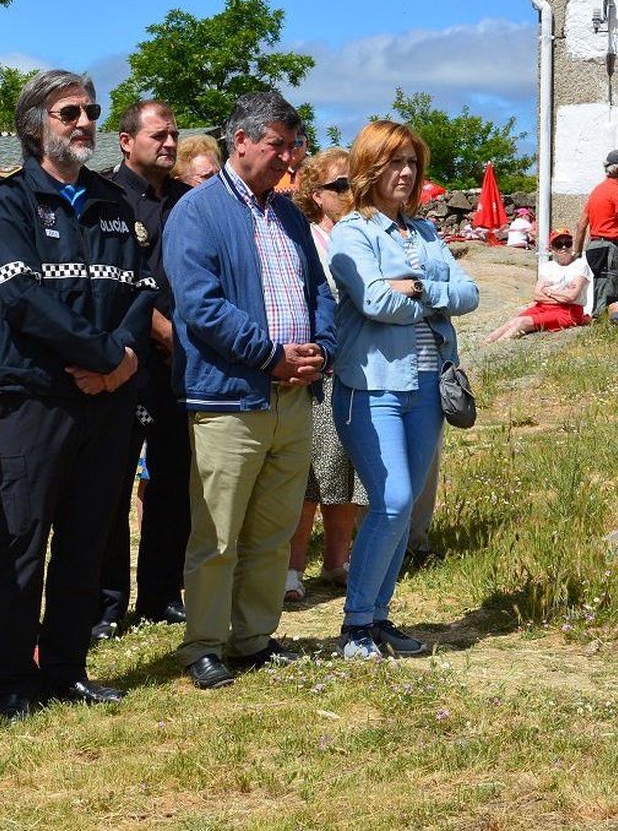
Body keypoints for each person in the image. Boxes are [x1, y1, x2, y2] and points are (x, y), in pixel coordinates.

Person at [0, 70, 157, 720]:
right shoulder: (3, 202)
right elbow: (22, 298)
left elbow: (141, 293)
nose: (84, 121)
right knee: (23, 538)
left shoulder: (112, 203)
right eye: (68, 111)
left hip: (106, 399)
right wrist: (105, 356)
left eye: (90, 111)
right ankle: (15, 679)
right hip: (35, 397)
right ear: (34, 126)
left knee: (87, 537)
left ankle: (68, 667)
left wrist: (120, 363)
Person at [164, 92, 331, 690]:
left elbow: (320, 292)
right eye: (276, 146)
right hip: (229, 397)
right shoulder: (197, 211)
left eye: (293, 146)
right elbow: (200, 307)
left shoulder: (287, 214)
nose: (288, 159)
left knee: (273, 528)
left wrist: (322, 350)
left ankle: (253, 637)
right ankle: (204, 644)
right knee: (219, 531)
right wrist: (270, 357)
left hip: (292, 397)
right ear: (241, 141)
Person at [327, 120, 479, 661]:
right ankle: (355, 625)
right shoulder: (354, 232)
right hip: (371, 385)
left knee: (406, 502)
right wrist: (432, 295)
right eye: (395, 161)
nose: (406, 172)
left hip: (427, 385)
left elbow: (470, 293)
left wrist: (417, 287)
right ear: (370, 167)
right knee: (389, 501)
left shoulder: (427, 233)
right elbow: (375, 302)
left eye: (412, 162)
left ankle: (379, 616)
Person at [95, 99, 192, 638]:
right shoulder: (106, 200)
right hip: (128, 360)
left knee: (173, 481)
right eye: (159, 134)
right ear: (126, 141)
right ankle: (107, 604)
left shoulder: (188, 201)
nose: (170, 144)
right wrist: (161, 331)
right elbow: (116, 280)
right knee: (111, 485)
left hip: (182, 364)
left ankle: (161, 593)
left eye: (174, 134)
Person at [285, 147, 364, 600]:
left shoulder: (361, 234)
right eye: (340, 185)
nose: (350, 192)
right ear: (316, 194)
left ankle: (337, 562)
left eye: (354, 182)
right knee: (309, 478)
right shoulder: (309, 239)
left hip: (356, 371)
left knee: (348, 476)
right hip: (320, 372)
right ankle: (292, 568)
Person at [484, 230, 592, 342]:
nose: (564, 247)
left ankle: (498, 347)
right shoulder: (548, 267)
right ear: (552, 248)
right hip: (542, 307)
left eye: (567, 243)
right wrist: (561, 297)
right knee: (513, 322)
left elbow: (572, 297)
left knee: (522, 322)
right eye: (559, 244)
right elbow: (537, 295)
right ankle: (485, 344)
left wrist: (549, 291)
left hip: (568, 312)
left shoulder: (580, 266)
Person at [573, 149, 618, 310]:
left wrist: (577, 254)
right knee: (606, 297)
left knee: (615, 292)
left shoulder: (596, 191)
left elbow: (581, 225)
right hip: (608, 248)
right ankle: (601, 327)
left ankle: (615, 325)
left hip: (594, 248)